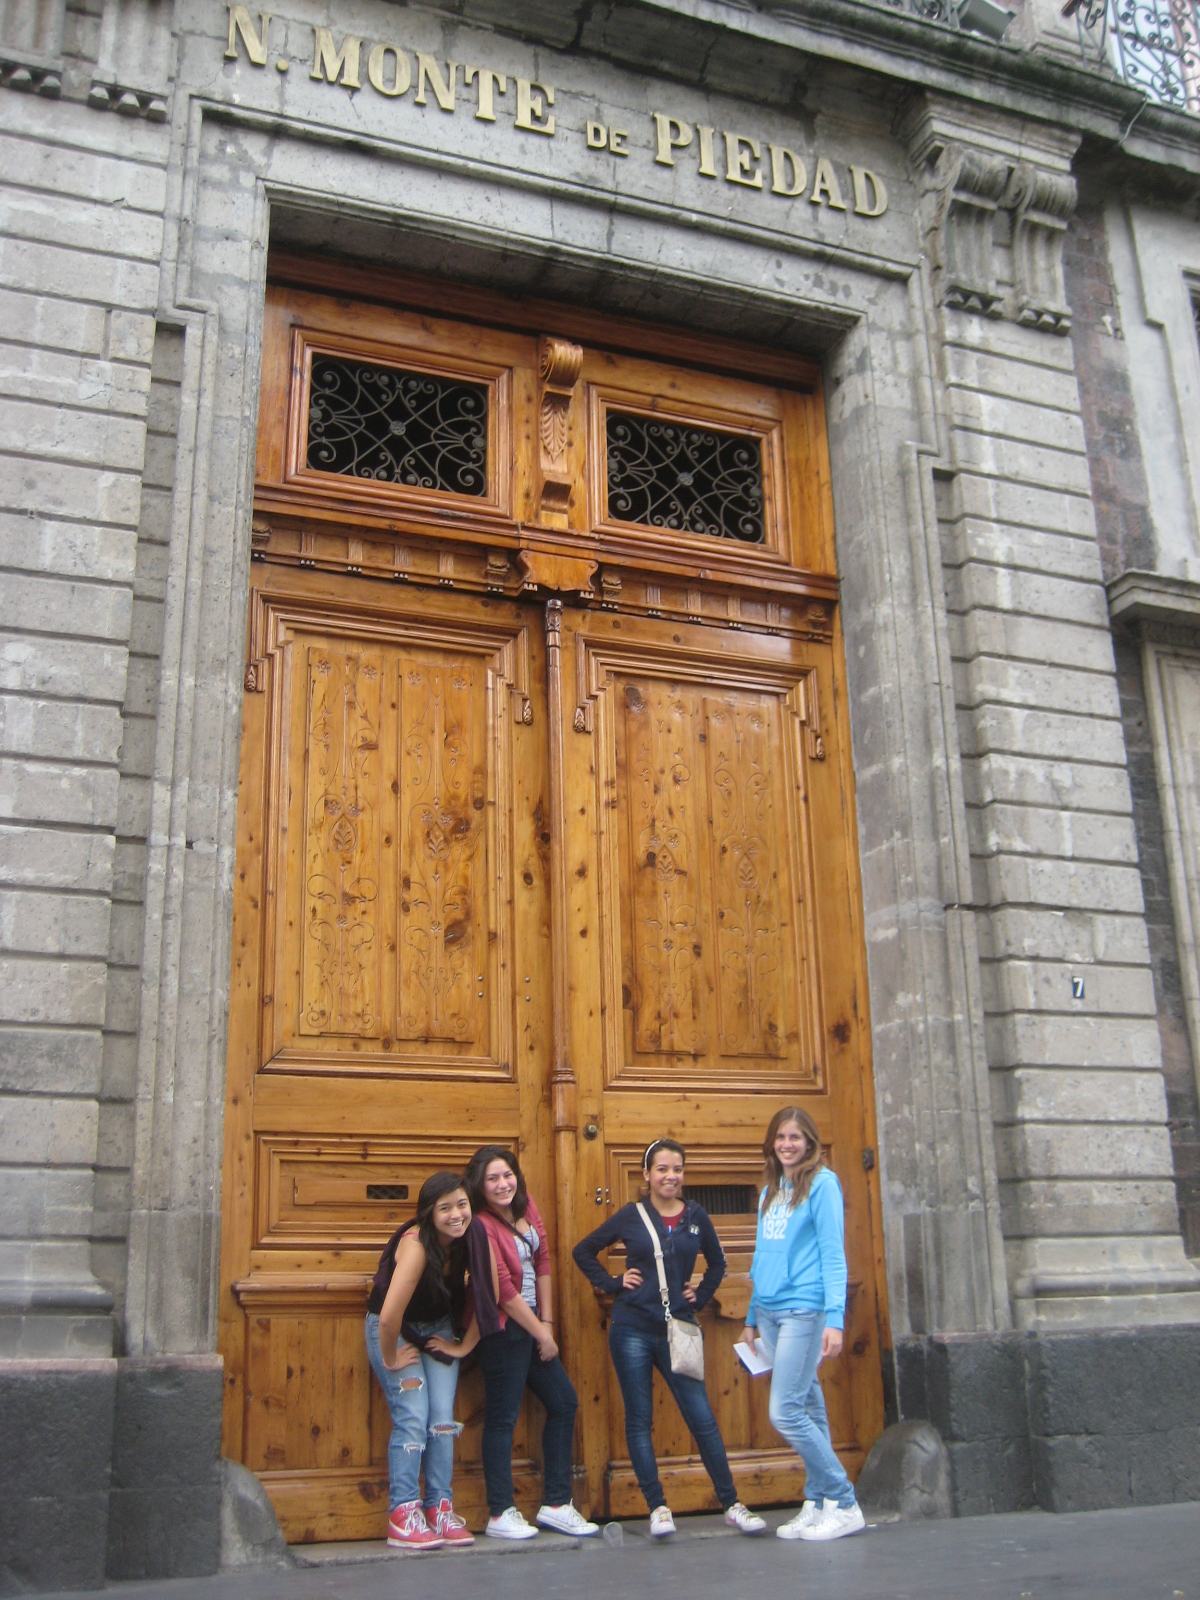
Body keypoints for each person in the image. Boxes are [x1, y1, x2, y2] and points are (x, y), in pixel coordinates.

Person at [573, 1137, 767, 1538]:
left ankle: (732, 1503)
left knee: (702, 1419)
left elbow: (718, 1262)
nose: (670, 1176)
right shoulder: (631, 1215)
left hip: (678, 1328)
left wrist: (704, 1292)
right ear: (646, 1175)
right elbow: (583, 1251)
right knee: (639, 1419)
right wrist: (612, 1283)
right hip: (632, 1329)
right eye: (661, 1169)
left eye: (677, 1169)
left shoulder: (696, 1215)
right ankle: (657, 1507)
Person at [740, 1107, 865, 1542]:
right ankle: (818, 1502)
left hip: (805, 1310)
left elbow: (833, 1254)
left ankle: (845, 1500)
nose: (787, 1144)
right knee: (809, 1404)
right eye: (780, 1137)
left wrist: (835, 1319)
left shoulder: (823, 1185)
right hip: (772, 1310)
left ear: (810, 1142)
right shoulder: (770, 1190)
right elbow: (762, 1257)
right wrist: (752, 1317)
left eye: (796, 1137)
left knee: (785, 1409)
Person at [463, 1145, 599, 1541]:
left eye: (508, 1175)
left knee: (564, 1401)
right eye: (493, 1178)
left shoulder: (525, 1206)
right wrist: (541, 1333)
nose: (503, 1184)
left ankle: (556, 1504)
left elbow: (544, 1261)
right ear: (479, 1185)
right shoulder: (480, 1226)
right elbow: (502, 1288)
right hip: (503, 1331)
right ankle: (500, 1511)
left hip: (534, 1325)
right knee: (503, 1418)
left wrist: (548, 1323)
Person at [366, 1170, 494, 1552]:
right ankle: (403, 1512)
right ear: (428, 1212)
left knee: (440, 1419)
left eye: (462, 1205)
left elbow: (491, 1295)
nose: (456, 1214)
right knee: (412, 1414)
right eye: (445, 1208)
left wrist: (463, 1346)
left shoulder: (473, 1236)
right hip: (394, 1330)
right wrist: (390, 1358)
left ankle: (439, 1505)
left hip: (438, 1326)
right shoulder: (417, 1246)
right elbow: (389, 1316)